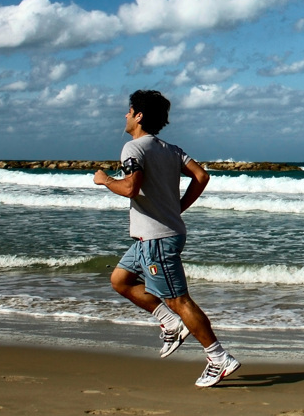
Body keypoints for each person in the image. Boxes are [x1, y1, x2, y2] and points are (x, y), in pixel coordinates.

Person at [93, 89, 240, 388]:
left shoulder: (133, 149)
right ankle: (169, 322)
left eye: (128, 110)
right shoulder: (171, 149)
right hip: (151, 238)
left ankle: (218, 357)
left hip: (157, 240)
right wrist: (178, 207)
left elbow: (131, 188)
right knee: (120, 280)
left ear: (139, 115)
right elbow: (202, 176)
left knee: (179, 300)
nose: (125, 115)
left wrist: (105, 180)